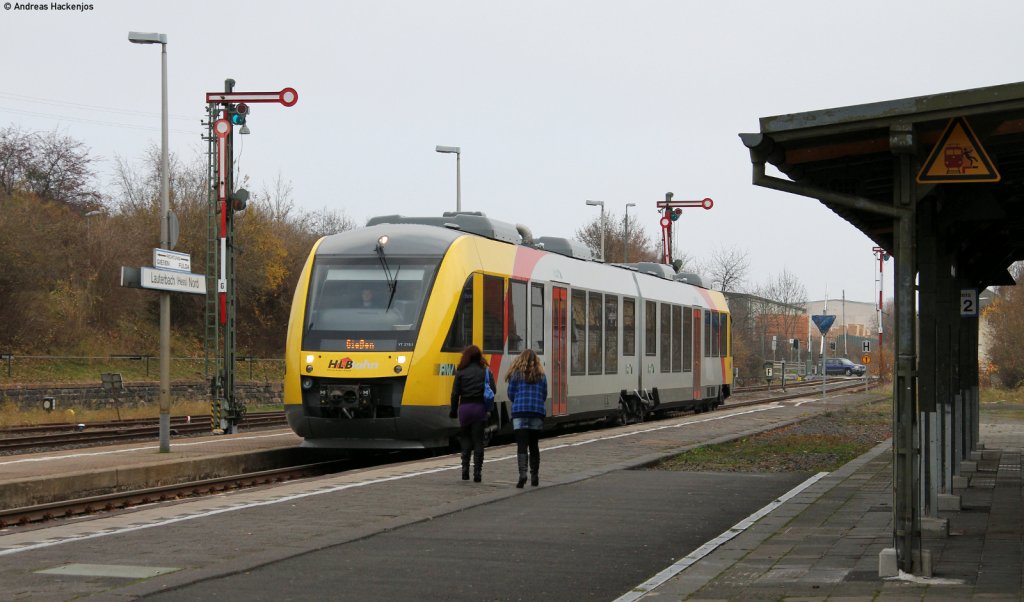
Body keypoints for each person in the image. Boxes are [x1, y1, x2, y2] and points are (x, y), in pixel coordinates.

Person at [505, 348, 547, 487]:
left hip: (520, 413)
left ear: (521, 359)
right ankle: (534, 476)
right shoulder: (541, 375)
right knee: (534, 445)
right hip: (536, 413)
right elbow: (544, 394)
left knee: (522, 445)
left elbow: (511, 394)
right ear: (536, 361)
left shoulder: (516, 375)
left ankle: (522, 475)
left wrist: (519, 400)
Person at [449, 345, 490, 482]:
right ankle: (477, 473)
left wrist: (453, 410)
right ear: (479, 357)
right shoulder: (484, 372)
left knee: (465, 438)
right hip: (479, 408)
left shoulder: (460, 372)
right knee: (478, 440)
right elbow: (492, 390)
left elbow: (455, 393)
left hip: (465, 408)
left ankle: (465, 471)